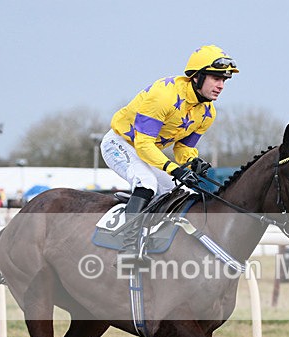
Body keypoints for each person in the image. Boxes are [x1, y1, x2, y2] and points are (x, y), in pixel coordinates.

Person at [100, 45, 238, 254]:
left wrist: (192, 162)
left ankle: (162, 244)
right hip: (120, 144)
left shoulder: (208, 112)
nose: (221, 86)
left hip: (148, 153)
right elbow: (143, 144)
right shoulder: (164, 95)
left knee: (186, 193)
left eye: (224, 80)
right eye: (215, 78)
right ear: (197, 77)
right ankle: (127, 247)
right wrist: (175, 169)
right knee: (147, 183)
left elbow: (183, 148)